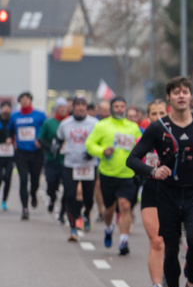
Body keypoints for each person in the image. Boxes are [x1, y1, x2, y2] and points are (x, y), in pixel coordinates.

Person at [127, 76, 193, 287]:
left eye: (185, 91)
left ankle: (191, 284)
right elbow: (133, 159)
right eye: (176, 92)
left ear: (191, 96)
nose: (181, 95)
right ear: (169, 97)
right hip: (167, 195)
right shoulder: (158, 128)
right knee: (170, 248)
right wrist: (153, 171)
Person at [84, 96, 141, 255]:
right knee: (108, 210)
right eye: (116, 106)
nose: (119, 109)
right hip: (108, 174)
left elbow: (140, 146)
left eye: (122, 106)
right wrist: (102, 151)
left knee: (125, 206)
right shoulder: (102, 126)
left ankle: (124, 241)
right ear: (111, 108)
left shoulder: (133, 128)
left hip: (127, 174)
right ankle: (109, 228)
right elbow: (90, 144)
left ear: (126, 108)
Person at [138, 99, 168, 287]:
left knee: (172, 243)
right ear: (148, 118)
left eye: (162, 113)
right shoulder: (144, 137)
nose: (158, 118)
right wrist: (150, 170)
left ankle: (171, 270)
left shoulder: (178, 136)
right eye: (154, 114)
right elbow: (132, 160)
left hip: (175, 192)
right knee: (156, 241)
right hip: (151, 190)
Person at [56, 97, 99, 241]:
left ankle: (86, 213)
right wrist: (55, 149)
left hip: (89, 165)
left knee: (88, 196)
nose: (81, 108)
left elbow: (100, 140)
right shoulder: (65, 123)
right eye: (78, 105)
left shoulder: (94, 123)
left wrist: (92, 152)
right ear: (72, 107)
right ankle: (73, 226)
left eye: (83, 105)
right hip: (70, 164)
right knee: (70, 195)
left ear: (86, 108)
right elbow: (59, 139)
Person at [10, 92, 47, 220]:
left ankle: (34, 193)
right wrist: (10, 139)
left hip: (36, 152)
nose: (25, 101)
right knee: (23, 179)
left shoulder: (40, 115)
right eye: (22, 100)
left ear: (31, 100)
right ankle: (25, 209)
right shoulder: (14, 116)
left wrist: (41, 141)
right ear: (20, 102)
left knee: (35, 180)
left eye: (27, 99)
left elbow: (45, 130)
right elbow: (9, 130)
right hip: (21, 152)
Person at [39, 98, 69, 221]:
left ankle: (62, 213)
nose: (62, 109)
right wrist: (51, 148)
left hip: (67, 161)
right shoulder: (49, 123)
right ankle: (51, 198)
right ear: (56, 108)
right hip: (52, 160)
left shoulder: (70, 122)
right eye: (60, 107)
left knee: (68, 188)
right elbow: (40, 139)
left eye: (64, 107)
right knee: (51, 183)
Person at [0, 100, 16, 211]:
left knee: (8, 178)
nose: (6, 109)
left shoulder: (14, 120)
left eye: (8, 107)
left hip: (10, 154)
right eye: (4, 107)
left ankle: (4, 200)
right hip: (0, 153)